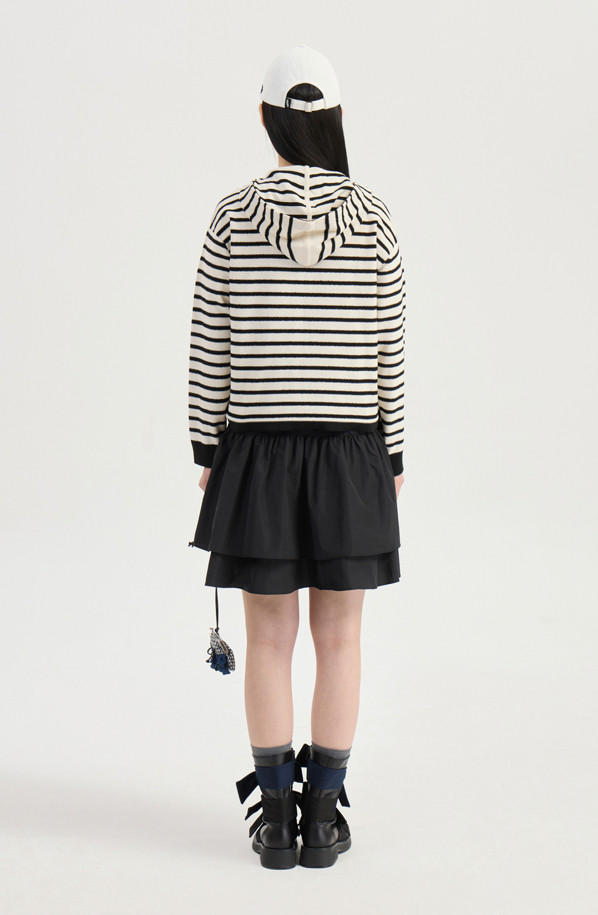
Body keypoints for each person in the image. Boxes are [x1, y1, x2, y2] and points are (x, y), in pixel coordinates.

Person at [187, 44, 406, 869]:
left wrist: (208, 445)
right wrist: (391, 453)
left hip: (259, 453)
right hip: (352, 451)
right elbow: (387, 349)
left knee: (269, 639)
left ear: (265, 117)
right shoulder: (375, 218)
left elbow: (210, 344)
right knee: (340, 639)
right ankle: (324, 818)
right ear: (336, 118)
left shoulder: (232, 216)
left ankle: (275, 821)